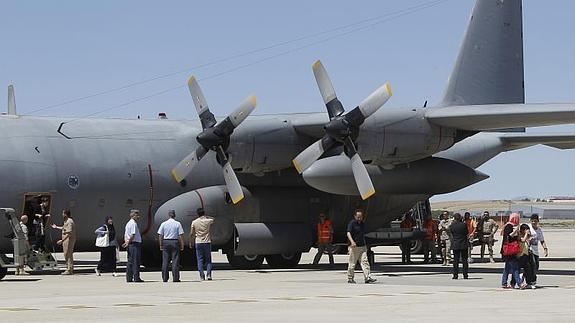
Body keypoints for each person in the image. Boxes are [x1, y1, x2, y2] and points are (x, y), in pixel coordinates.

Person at [346, 209, 376, 284]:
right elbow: (348, 233)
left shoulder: (362, 224)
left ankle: (367, 277)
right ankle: (350, 278)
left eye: (361, 217)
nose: (359, 218)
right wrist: (352, 242)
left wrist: (365, 245)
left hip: (362, 246)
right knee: (352, 263)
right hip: (354, 247)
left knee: (365, 262)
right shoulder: (352, 223)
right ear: (355, 216)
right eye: (358, 217)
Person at [500, 213, 527, 289]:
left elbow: (518, 239)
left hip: (509, 250)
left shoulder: (513, 226)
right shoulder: (509, 226)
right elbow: (508, 236)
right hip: (509, 250)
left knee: (507, 268)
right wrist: (515, 230)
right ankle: (519, 283)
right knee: (515, 267)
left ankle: (504, 283)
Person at [158, 210, 185, 282]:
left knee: (165, 261)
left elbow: (160, 235)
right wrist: (182, 244)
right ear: (174, 215)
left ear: (168, 215)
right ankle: (175, 278)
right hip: (174, 242)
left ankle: (164, 278)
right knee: (175, 261)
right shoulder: (177, 224)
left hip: (166, 241)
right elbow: (180, 235)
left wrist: (161, 244)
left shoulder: (164, 224)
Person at [190, 208, 215, 281]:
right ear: (204, 213)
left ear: (197, 214)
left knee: (200, 259)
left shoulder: (194, 222)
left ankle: (201, 275)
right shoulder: (208, 221)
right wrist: (206, 216)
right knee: (208, 260)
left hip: (198, 242)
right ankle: (209, 274)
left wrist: (191, 241)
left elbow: (191, 233)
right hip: (207, 241)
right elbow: (213, 218)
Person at [51, 209, 76, 275]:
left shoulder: (69, 221)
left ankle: (69, 269)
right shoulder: (66, 221)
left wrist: (62, 241)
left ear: (65, 214)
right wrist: (56, 227)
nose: (62, 214)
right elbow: (64, 228)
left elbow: (69, 232)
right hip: (66, 239)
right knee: (66, 254)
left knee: (68, 254)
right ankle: (69, 268)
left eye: (63, 213)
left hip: (69, 239)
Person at [122, 209, 143, 283]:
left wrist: (126, 242)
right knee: (135, 262)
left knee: (130, 261)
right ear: (133, 215)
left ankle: (129, 278)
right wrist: (128, 242)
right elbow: (133, 235)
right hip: (134, 244)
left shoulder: (128, 223)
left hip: (130, 244)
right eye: (137, 215)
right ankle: (136, 278)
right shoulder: (133, 224)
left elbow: (125, 235)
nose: (138, 217)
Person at [528, 213, 548, 287]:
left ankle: (526, 277)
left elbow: (542, 240)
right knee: (533, 265)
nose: (533, 222)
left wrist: (545, 249)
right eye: (532, 221)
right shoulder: (528, 228)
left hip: (536, 251)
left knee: (536, 266)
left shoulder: (539, 230)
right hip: (529, 250)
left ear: (538, 221)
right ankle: (531, 281)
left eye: (535, 221)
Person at [449, 213, 469, 279]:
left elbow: (451, 233)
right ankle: (465, 275)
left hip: (455, 244)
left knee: (455, 260)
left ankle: (455, 275)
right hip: (463, 244)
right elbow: (466, 232)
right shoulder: (464, 225)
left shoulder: (452, 226)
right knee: (464, 260)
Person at [517, 223, 535, 288]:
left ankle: (528, 282)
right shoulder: (519, 236)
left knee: (528, 269)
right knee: (517, 270)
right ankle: (514, 283)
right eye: (526, 230)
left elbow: (528, 244)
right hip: (520, 255)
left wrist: (529, 239)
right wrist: (526, 234)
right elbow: (522, 240)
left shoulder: (526, 236)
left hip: (526, 255)